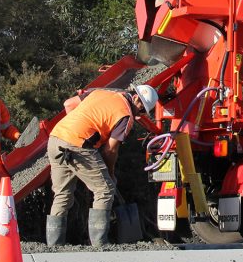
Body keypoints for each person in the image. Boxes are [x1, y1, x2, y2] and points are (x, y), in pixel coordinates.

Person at [45, 84, 159, 247]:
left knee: (62, 194)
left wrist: (77, 127)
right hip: (78, 145)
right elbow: (110, 150)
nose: (139, 113)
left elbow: (68, 104)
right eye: (141, 110)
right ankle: (100, 245)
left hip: (56, 139)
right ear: (135, 99)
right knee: (105, 190)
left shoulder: (100, 92)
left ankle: (53, 246)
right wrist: (110, 173)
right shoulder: (125, 115)